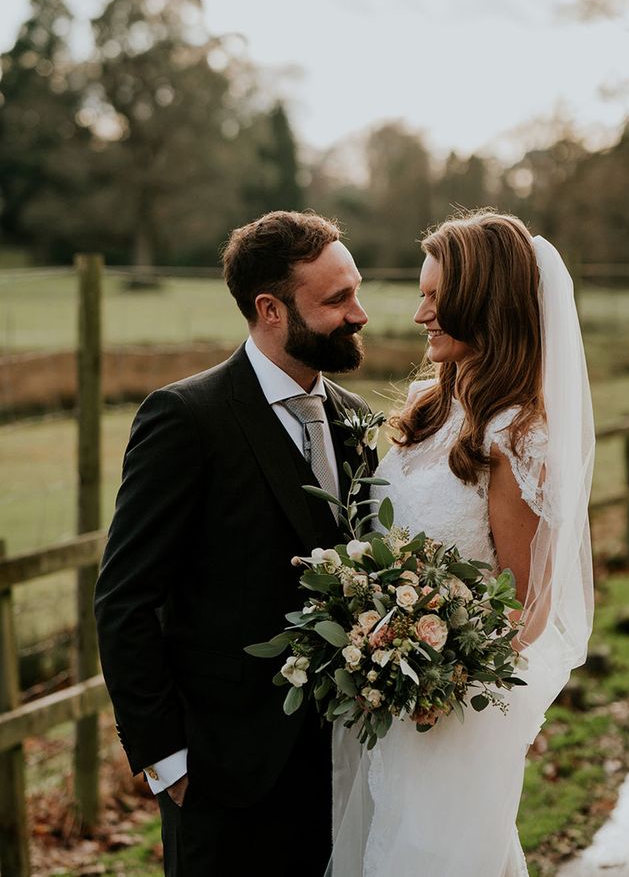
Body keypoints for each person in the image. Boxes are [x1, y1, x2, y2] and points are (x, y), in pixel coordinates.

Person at [95, 210, 377, 877]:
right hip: (225, 782)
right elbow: (123, 601)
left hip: (347, 769)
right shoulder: (185, 419)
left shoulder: (354, 420)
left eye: (355, 289)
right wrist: (169, 765)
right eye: (336, 299)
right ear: (271, 309)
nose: (359, 312)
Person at [330, 209, 594, 877]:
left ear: (485, 305)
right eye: (422, 295)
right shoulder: (423, 406)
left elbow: (526, 606)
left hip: (452, 714)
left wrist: (437, 678)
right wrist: (379, 654)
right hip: (391, 703)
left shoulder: (516, 435)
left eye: (436, 299)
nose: (421, 315)